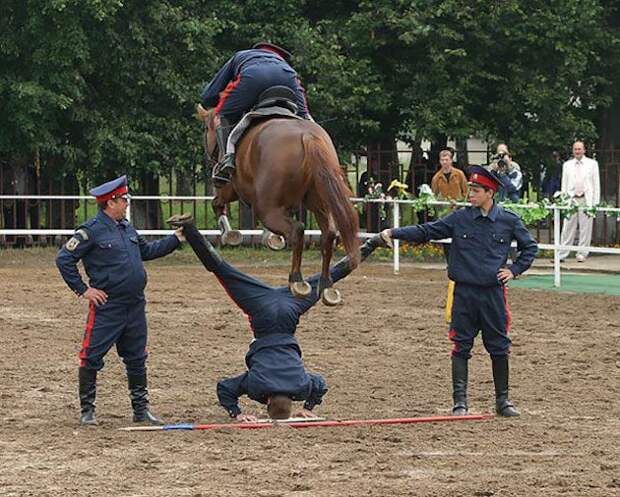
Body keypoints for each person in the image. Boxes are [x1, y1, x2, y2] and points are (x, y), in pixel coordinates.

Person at [167, 214, 385, 421]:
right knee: (223, 270)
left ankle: (372, 243)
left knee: (330, 276)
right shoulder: (256, 387)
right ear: (268, 401)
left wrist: (308, 407)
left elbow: (320, 384)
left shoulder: (301, 387)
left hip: (291, 309)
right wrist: (236, 413)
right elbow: (225, 388)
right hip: (261, 311)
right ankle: (190, 228)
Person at [380, 166, 537, 417]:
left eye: (475, 191)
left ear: (490, 192)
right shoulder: (459, 218)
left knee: (498, 346)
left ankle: (503, 401)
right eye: (470, 189)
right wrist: (394, 232)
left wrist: (514, 270)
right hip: (463, 293)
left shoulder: (508, 220)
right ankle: (460, 402)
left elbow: (530, 247)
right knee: (461, 346)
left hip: (493, 295)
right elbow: (427, 231)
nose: (470, 194)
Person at [56, 176, 184, 426]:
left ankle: (140, 410)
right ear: (110, 202)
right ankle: (87, 412)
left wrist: (175, 240)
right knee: (91, 356)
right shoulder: (90, 230)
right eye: (123, 199)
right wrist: (83, 290)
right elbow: (64, 259)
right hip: (108, 306)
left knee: (137, 358)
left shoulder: (126, 227)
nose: (126, 203)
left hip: (135, 305)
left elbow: (146, 252)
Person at [200, 42, 311, 185]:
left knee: (220, 116)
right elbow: (300, 95)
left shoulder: (241, 55)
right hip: (288, 77)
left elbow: (212, 92)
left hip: (253, 76)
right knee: (305, 118)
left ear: (256, 50)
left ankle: (226, 160)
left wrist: (209, 100)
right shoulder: (283, 63)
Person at [557, 141, 600, 262]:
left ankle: (582, 253)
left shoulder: (592, 164)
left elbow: (596, 184)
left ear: (584, 150)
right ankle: (562, 253)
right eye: (575, 149)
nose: (577, 151)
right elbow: (564, 184)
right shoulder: (567, 165)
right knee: (567, 227)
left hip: (586, 199)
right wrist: (564, 200)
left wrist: (594, 203)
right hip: (571, 198)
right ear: (573, 151)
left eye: (579, 149)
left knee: (585, 228)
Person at [430, 149, 468, 260]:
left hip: (459, 209)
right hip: (444, 211)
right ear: (440, 161)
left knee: (460, 236)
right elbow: (434, 195)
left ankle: (461, 260)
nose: (445, 162)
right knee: (446, 237)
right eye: (442, 160)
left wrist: (461, 203)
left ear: (451, 160)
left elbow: (466, 191)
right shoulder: (437, 178)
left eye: (447, 159)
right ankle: (449, 261)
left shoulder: (459, 174)